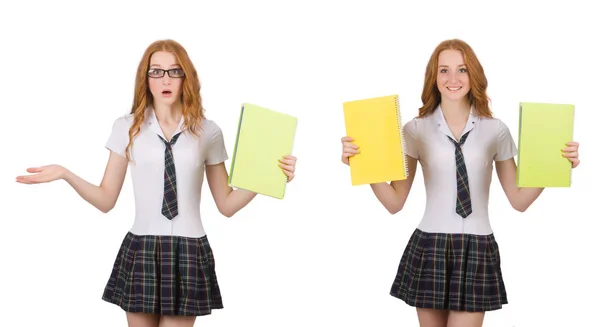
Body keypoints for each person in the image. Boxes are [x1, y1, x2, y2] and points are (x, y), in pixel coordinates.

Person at [15, 39, 298, 327]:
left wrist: (270, 176)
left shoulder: (208, 131)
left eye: (175, 72)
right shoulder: (126, 127)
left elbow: (226, 204)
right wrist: (66, 174)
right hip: (142, 248)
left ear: (186, 77)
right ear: (145, 79)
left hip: (188, 249)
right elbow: (105, 200)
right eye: (156, 71)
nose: (166, 79)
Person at [340, 39, 580, 327]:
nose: (453, 79)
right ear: (434, 77)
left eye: (462, 70)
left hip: (477, 246)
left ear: (473, 75)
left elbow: (519, 200)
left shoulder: (496, 130)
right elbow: (394, 202)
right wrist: (364, 164)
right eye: (444, 70)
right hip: (430, 245)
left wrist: (556, 165)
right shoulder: (415, 130)